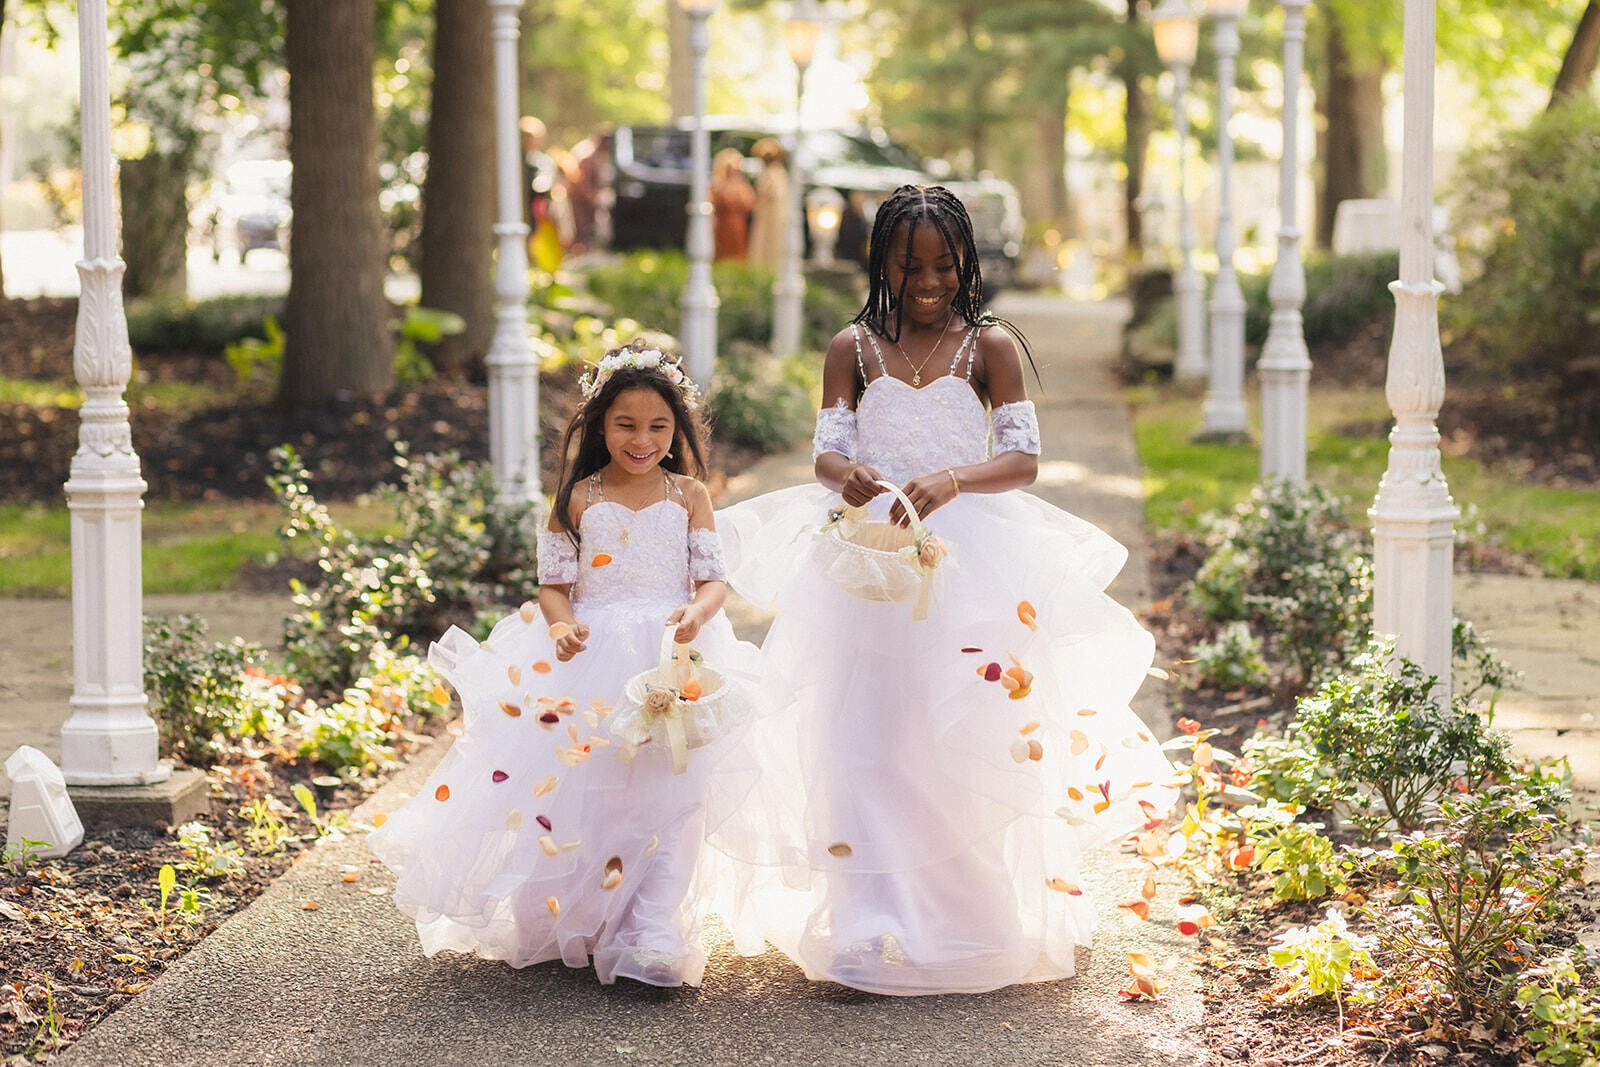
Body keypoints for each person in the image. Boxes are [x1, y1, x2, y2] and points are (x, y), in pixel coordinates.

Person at [715, 185, 1177, 996]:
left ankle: (967, 915)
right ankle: (864, 915)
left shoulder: (987, 347)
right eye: (908, 264)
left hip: (969, 562)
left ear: (963, 261)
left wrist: (954, 479)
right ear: (882, 264)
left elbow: (1024, 460)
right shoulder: (851, 347)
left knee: (955, 736)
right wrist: (846, 473)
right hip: (869, 558)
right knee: (859, 734)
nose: (927, 280)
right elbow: (826, 453)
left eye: (942, 264)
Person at [369, 341, 763, 987]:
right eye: (626, 424)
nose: (642, 439)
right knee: (596, 786)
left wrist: (698, 612)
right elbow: (554, 584)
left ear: (678, 429)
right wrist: (561, 625)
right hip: (594, 655)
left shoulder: (690, 494)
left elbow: (712, 578)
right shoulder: (577, 497)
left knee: (675, 784)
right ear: (600, 424)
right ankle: (582, 910)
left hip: (673, 653)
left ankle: (654, 925)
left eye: (658, 426)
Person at [746, 138, 788, 270]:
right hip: (764, 216)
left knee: (772, 244)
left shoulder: (777, 173)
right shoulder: (767, 173)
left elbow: (776, 193)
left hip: (774, 216)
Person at [710, 147, 757, 262]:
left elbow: (750, 204)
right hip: (722, 224)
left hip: (738, 224)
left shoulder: (742, 185)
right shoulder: (717, 185)